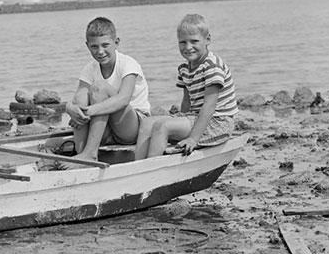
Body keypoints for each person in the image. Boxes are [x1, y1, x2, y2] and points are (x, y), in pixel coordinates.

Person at [135, 13, 238, 159]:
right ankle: (137, 167)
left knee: (162, 127)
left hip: (217, 123)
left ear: (207, 39)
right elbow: (186, 101)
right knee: (147, 123)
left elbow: (209, 107)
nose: (188, 47)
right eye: (183, 42)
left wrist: (192, 139)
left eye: (194, 41)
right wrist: (178, 121)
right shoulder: (184, 68)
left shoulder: (212, 66)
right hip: (194, 117)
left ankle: (154, 171)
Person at [58, 16, 151, 168]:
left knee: (99, 88)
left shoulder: (128, 64)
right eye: (94, 47)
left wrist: (90, 111)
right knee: (79, 103)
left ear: (116, 42)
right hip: (107, 126)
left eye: (105, 45)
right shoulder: (90, 68)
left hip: (132, 125)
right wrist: (73, 109)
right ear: (87, 46)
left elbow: (123, 99)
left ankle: (90, 154)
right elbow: (80, 95)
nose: (100, 52)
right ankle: (82, 154)